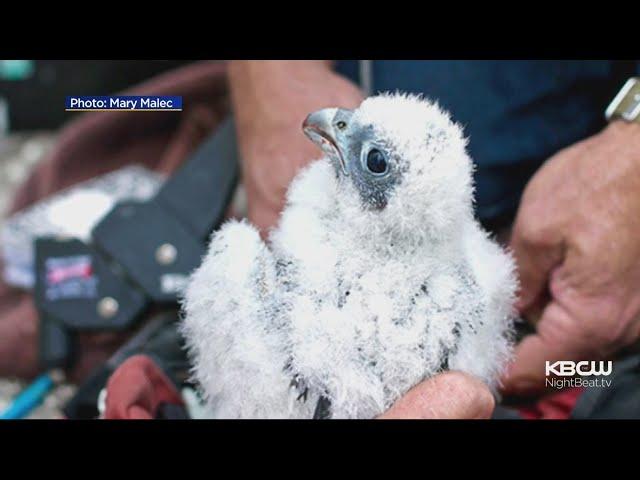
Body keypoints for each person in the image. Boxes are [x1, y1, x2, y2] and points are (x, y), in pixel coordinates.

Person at [229, 60, 640, 418]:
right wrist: (269, 70)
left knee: (594, 379)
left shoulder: (482, 277)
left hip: (568, 294)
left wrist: (632, 150)